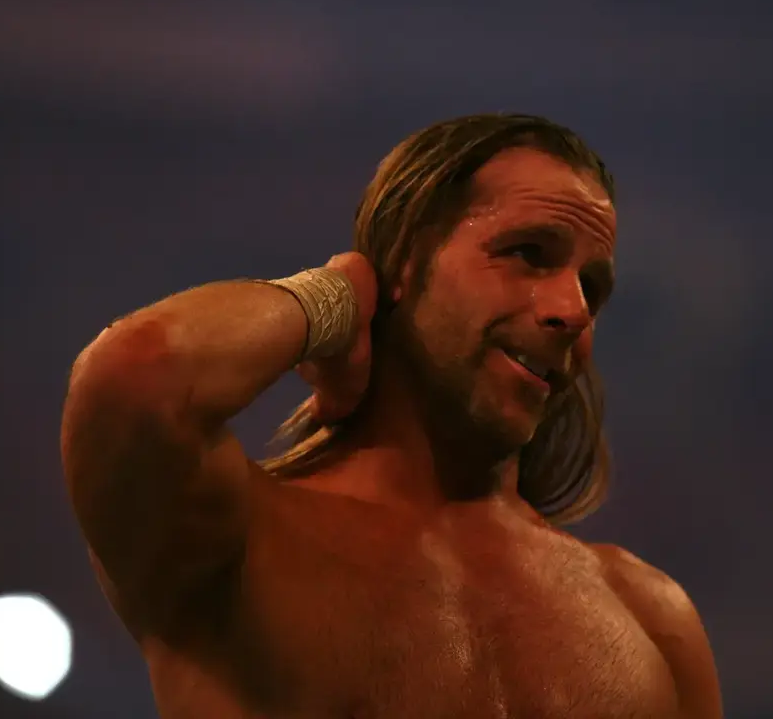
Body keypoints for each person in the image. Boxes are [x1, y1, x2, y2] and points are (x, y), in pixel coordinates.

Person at [61, 113, 723, 718]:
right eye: (528, 252)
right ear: (407, 259)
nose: (573, 311)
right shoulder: (240, 543)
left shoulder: (651, 617)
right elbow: (135, 376)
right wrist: (334, 299)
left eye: (592, 288)